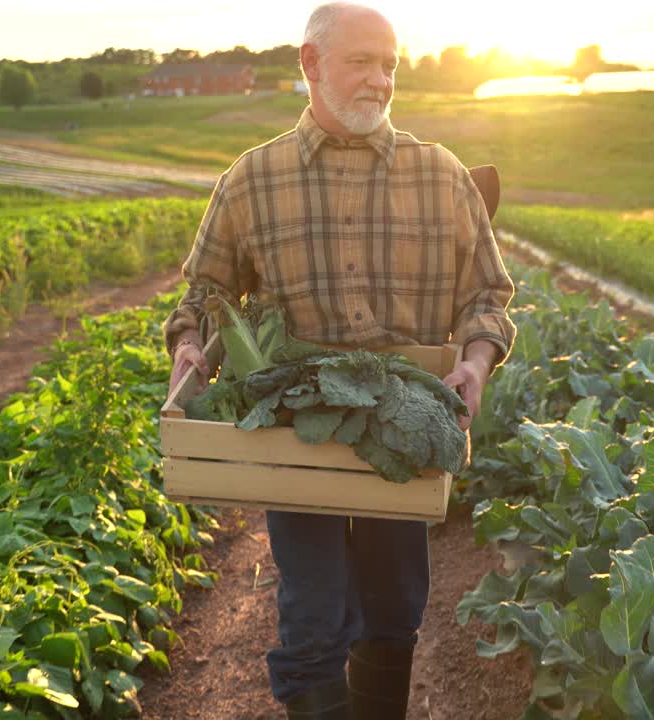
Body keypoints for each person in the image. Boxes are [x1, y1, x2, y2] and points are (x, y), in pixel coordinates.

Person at [161, 3, 517, 718]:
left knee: (394, 613)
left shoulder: (442, 176)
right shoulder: (251, 180)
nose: (380, 81)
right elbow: (204, 292)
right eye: (362, 62)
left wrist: (476, 363)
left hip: (403, 425)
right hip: (298, 424)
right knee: (313, 617)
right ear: (311, 64)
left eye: (389, 65)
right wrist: (191, 343)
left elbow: (488, 294)